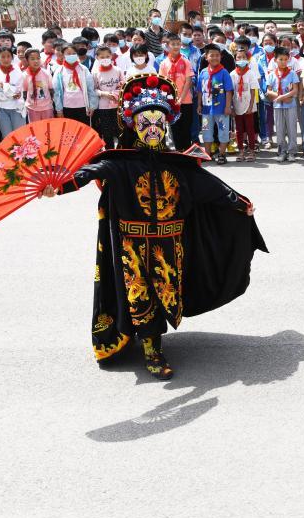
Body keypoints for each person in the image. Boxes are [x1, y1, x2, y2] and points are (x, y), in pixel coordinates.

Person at [39, 72, 266, 380]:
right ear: (134, 125)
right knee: (139, 294)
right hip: (132, 245)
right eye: (145, 122)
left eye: (159, 122)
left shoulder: (177, 165)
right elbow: (88, 172)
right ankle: (151, 348)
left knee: (167, 293)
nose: (153, 128)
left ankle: (152, 340)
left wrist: (240, 203)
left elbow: (210, 187)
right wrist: (58, 186)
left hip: (172, 244)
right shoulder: (120, 163)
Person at [197, 44, 234, 164]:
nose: (214, 58)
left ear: (221, 57)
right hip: (206, 109)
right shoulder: (203, 72)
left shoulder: (224, 73)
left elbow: (229, 90)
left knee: (223, 131)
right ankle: (207, 154)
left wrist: (228, 106)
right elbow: (199, 91)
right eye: (211, 55)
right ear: (206, 57)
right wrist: (199, 105)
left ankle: (222, 154)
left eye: (217, 55)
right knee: (206, 131)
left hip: (221, 109)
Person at [158, 34, 195, 151]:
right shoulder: (164, 63)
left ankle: (187, 150)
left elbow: (188, 81)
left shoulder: (185, 61)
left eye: (178, 44)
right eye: (173, 44)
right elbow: (162, 83)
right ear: (168, 46)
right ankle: (179, 150)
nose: (176, 46)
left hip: (186, 100)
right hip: (171, 101)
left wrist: (181, 99)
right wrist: (170, 99)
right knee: (175, 127)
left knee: (186, 126)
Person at [265, 47, 300, 163]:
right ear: (275, 60)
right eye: (281, 59)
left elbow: (295, 90)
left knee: (291, 129)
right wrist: (279, 97)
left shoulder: (292, 73)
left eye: (286, 59)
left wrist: (283, 97)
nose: (283, 62)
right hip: (278, 106)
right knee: (280, 130)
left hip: (290, 106)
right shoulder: (272, 75)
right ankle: (282, 151)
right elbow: (268, 91)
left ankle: (292, 152)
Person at [53, 44, 97, 124]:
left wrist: (92, 106)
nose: (71, 55)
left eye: (74, 53)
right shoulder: (59, 71)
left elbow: (91, 88)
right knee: (69, 131)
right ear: (63, 55)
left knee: (83, 131)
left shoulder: (83, 69)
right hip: (67, 107)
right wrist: (59, 110)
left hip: (83, 106)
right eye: (68, 53)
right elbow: (57, 92)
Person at [0, 46, 26, 137]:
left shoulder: (18, 73)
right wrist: (5, 96)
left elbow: (17, 91)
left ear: (12, 57)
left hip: (17, 107)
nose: (6, 59)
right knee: (7, 136)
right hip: (2, 108)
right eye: (3, 57)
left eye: (8, 56)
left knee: (20, 135)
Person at [91, 45, 124, 148]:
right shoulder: (95, 72)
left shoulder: (118, 70)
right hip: (103, 107)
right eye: (102, 57)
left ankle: (120, 150)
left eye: (107, 56)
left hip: (117, 106)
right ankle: (109, 150)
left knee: (119, 129)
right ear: (97, 58)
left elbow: (123, 84)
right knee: (106, 131)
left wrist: (116, 93)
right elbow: (93, 89)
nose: (105, 59)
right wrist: (103, 94)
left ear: (111, 56)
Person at [230, 49, 259, 162]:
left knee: (250, 128)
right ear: (235, 59)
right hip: (237, 104)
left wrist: (251, 106)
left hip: (249, 105)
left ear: (247, 60)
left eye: (244, 57)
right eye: (239, 57)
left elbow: (253, 91)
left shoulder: (250, 73)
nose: (241, 60)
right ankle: (241, 150)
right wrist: (231, 107)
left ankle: (251, 151)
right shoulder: (232, 74)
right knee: (239, 129)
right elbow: (230, 92)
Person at [21, 49, 54, 122]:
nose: (36, 61)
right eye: (32, 59)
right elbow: (24, 91)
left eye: (38, 58)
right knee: (36, 130)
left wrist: (50, 102)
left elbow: (51, 89)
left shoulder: (46, 73)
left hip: (47, 107)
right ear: (27, 60)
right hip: (32, 108)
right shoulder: (25, 75)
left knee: (48, 128)